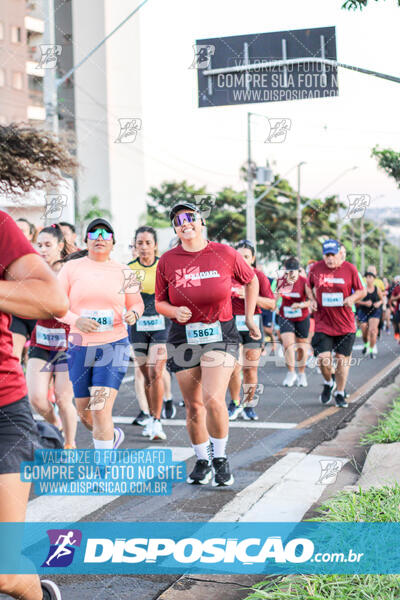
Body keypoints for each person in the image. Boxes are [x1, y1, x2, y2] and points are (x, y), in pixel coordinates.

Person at [0, 122, 76, 600]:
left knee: (4, 573)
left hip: (1, 413)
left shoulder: (0, 227)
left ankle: (38, 594)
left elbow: (52, 299)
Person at [155, 202, 260, 486]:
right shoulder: (167, 260)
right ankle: (202, 459)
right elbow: (159, 302)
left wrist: (249, 317)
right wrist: (174, 312)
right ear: (175, 228)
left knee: (214, 398)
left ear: (201, 222)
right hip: (183, 336)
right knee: (193, 406)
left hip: (221, 334)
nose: (185, 223)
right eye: (178, 220)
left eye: (190, 217)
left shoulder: (225, 253)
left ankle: (221, 460)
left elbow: (251, 281)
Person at [58, 218, 144, 451]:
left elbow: (137, 302)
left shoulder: (123, 270)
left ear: (113, 243)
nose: (99, 238)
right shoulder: (71, 268)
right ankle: (112, 435)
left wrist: (134, 314)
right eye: (94, 234)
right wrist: (77, 321)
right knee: (85, 413)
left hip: (113, 345)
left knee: (100, 408)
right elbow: (56, 308)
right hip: (79, 346)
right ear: (86, 240)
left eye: (105, 234)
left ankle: (103, 470)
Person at [26, 224, 77, 448]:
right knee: (36, 398)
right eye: (40, 245)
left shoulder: (70, 271)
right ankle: (56, 426)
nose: (43, 249)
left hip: (69, 344)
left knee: (64, 398)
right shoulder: (33, 271)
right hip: (41, 341)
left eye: (48, 245)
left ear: (60, 245)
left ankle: (70, 444)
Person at [306, 239, 365, 408]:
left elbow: (361, 290)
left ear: (340, 254)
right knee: (323, 359)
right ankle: (328, 382)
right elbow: (308, 286)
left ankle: (340, 392)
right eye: (327, 255)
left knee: (341, 360)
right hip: (323, 322)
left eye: (333, 255)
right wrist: (312, 299)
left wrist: (352, 298)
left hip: (345, 324)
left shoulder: (350, 269)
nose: (330, 259)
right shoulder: (316, 268)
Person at [128, 226, 172, 442]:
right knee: (146, 376)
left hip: (160, 325)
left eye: (148, 243)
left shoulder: (164, 267)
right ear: (135, 246)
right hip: (137, 327)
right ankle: (150, 417)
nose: (144, 247)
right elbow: (124, 301)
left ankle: (157, 419)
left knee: (156, 370)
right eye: (139, 243)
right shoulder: (128, 270)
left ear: (155, 245)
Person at [228, 240, 275, 421]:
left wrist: (249, 296)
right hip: (230, 325)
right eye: (239, 256)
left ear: (253, 258)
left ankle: (248, 405)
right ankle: (234, 402)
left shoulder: (258, 276)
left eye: (246, 256)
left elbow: (271, 304)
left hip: (253, 325)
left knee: (250, 370)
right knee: (233, 367)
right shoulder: (227, 276)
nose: (242, 260)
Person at [276, 257, 311, 387]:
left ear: (298, 271)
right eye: (288, 272)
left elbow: (311, 301)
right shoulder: (281, 281)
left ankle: (301, 373)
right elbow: (275, 298)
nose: (290, 275)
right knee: (287, 345)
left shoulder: (305, 282)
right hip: (286, 316)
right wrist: (274, 306)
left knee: (302, 347)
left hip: (302, 317)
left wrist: (301, 305)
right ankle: (291, 373)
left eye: (293, 273)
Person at [9, 219, 38, 362]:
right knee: (13, 356)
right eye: (16, 229)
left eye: (23, 230)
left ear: (31, 235)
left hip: (38, 315)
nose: (18, 233)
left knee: (36, 359)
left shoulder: (39, 255)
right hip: (16, 314)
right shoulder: (5, 254)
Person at [356, 271, 384, 357]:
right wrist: (365, 303)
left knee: (373, 330)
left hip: (374, 312)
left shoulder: (377, 289)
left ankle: (371, 350)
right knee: (364, 330)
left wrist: (379, 303)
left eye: (370, 277)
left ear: (374, 279)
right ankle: (366, 344)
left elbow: (382, 299)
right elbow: (356, 300)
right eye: (367, 277)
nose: (368, 279)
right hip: (363, 311)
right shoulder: (362, 289)